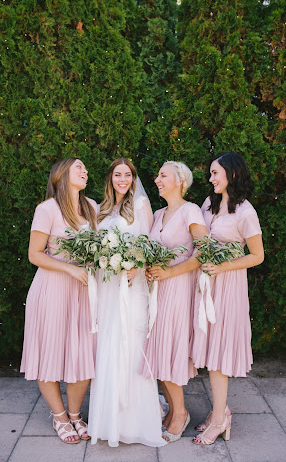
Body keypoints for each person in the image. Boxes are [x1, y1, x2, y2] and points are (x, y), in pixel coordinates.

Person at [88, 158, 166, 447]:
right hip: (108, 286)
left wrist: (137, 266)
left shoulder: (142, 207)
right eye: (117, 174)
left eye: (128, 175)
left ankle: (136, 421)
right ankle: (108, 421)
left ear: (134, 179)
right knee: (109, 344)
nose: (122, 179)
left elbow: (151, 244)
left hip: (133, 286)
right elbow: (96, 248)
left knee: (131, 345)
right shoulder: (101, 210)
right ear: (110, 178)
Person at [20, 158, 98, 444]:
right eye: (78, 167)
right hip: (52, 290)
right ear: (62, 175)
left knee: (82, 354)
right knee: (49, 353)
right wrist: (69, 267)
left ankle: (76, 415)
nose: (84, 170)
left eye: (85, 168)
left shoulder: (93, 208)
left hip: (83, 293)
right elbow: (34, 254)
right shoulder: (47, 209)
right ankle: (60, 416)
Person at [191, 151, 264, 446]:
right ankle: (219, 410)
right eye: (210, 173)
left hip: (229, 286)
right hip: (205, 285)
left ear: (231, 174)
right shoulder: (208, 204)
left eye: (215, 173)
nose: (210, 179)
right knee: (209, 350)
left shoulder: (245, 212)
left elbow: (257, 256)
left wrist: (222, 266)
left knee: (219, 353)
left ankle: (220, 420)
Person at [141, 161, 208, 443]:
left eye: (163, 175)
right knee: (158, 351)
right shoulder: (158, 214)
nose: (157, 179)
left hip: (179, 288)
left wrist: (169, 272)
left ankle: (179, 414)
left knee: (168, 350)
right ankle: (174, 412)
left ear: (180, 180)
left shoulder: (190, 210)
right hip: (157, 290)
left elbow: (204, 252)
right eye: (157, 175)